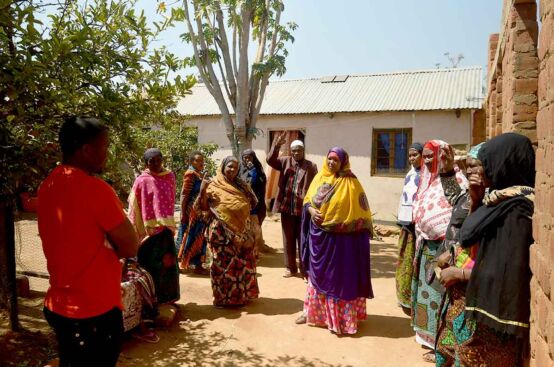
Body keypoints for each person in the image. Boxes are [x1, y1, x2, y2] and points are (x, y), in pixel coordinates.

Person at [38, 116, 138, 367]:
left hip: (59, 305)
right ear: (85, 150)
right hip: (93, 310)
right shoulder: (95, 189)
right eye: (104, 146)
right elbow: (130, 245)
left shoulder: (48, 185)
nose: (107, 153)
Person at [455, 133, 535, 366]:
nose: (482, 172)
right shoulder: (502, 200)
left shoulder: (516, 208)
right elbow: (467, 235)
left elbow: (468, 235)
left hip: (501, 319)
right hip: (495, 314)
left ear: (504, 163)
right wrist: (477, 201)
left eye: (486, 164)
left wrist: (460, 274)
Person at [296, 147, 374, 335]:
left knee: (340, 278)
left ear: (343, 162)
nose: (331, 163)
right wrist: (311, 210)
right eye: (329, 159)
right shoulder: (319, 177)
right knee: (318, 276)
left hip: (344, 243)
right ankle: (313, 313)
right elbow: (308, 200)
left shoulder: (351, 182)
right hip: (320, 239)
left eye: (336, 160)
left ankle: (342, 319)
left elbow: (361, 210)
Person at [411, 140, 468, 363]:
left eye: (430, 156)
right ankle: (427, 338)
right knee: (426, 293)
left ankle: (439, 343)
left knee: (439, 295)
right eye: (424, 157)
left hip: (445, 250)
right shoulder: (427, 181)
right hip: (426, 247)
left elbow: (458, 211)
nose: (427, 161)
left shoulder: (456, 180)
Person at [433, 143, 486, 366]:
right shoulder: (472, 195)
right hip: (457, 265)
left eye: (475, 166)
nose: (469, 172)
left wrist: (459, 269)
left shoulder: (496, 205)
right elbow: (455, 197)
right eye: (467, 167)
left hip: (474, 286)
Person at [196, 156, 260, 307]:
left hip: (242, 232)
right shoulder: (212, 185)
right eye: (230, 166)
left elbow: (252, 202)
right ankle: (223, 299)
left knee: (241, 265)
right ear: (223, 167)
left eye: (236, 168)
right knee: (221, 265)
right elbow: (203, 208)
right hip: (220, 233)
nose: (232, 170)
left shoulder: (242, 185)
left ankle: (241, 296)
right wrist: (203, 190)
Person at [128, 148, 180, 304]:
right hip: (149, 231)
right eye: (152, 161)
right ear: (146, 163)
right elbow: (134, 204)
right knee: (150, 265)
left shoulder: (169, 177)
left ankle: (167, 297)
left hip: (166, 229)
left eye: (158, 160)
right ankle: (150, 300)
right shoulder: (142, 180)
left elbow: (170, 200)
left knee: (168, 264)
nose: (156, 164)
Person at [266, 133, 318, 278]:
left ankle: (304, 269)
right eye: (293, 150)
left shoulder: (311, 166)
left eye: (299, 150)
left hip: (303, 209)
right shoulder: (284, 161)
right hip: (287, 207)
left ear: (303, 151)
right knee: (288, 238)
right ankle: (290, 268)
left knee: (303, 239)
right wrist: (276, 146)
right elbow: (270, 160)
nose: (296, 153)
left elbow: (316, 186)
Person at [395, 142, 423, 315]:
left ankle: (414, 298)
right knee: (404, 259)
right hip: (406, 224)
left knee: (416, 261)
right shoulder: (410, 174)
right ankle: (403, 297)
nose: (412, 158)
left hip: (418, 225)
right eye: (410, 155)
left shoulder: (429, 176)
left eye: (415, 155)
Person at [176, 151, 209, 275]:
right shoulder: (190, 174)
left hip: (199, 212)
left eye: (202, 160)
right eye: (198, 160)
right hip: (191, 213)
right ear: (191, 161)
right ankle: (184, 264)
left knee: (198, 236)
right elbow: (185, 194)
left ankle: (196, 264)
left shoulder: (199, 174)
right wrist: (183, 213)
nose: (201, 163)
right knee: (188, 236)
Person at [239, 149, 273, 255]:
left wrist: (253, 171)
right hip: (242, 204)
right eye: (245, 157)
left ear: (253, 158)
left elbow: (259, 183)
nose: (247, 159)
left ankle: (255, 252)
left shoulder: (258, 169)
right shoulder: (239, 169)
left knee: (254, 229)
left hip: (255, 206)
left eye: (249, 157)